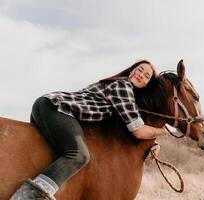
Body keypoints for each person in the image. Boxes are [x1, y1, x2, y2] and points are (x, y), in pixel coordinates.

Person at [10, 60, 168, 200]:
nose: (142, 75)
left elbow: (125, 130)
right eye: (140, 69)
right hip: (56, 108)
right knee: (79, 155)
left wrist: (151, 143)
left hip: (48, 106)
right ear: (132, 69)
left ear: (147, 84)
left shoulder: (124, 96)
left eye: (147, 75)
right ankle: (28, 197)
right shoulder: (123, 85)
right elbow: (138, 130)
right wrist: (164, 131)